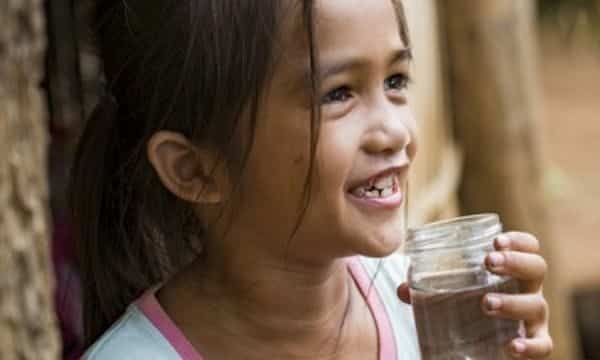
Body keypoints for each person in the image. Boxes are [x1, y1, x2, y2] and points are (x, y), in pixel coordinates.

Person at [71, 0, 553, 358]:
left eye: (395, 81)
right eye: (338, 93)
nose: (394, 132)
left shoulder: (425, 316)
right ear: (194, 169)